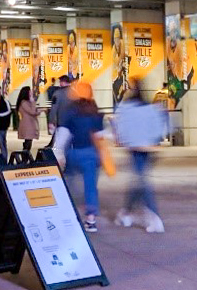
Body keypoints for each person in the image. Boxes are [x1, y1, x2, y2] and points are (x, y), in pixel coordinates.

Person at [113, 77, 168, 232]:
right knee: (138, 178)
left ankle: (154, 217)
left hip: (135, 147)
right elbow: (159, 125)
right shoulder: (149, 106)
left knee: (141, 181)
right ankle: (125, 213)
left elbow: (120, 124)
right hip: (148, 147)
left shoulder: (127, 106)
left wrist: (122, 139)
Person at [60, 80, 104, 232]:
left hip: (74, 151)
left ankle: (67, 215)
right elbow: (99, 135)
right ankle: (91, 220)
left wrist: (57, 152)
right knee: (91, 186)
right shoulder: (94, 110)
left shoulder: (70, 111)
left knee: (69, 182)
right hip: (91, 153)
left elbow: (64, 134)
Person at [45, 75, 71, 147]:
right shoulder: (76, 93)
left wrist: (51, 121)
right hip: (73, 122)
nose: (59, 84)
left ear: (63, 82)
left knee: (61, 143)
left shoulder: (57, 94)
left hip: (62, 122)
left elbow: (54, 108)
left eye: (60, 82)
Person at [17, 85, 39, 156]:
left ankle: (25, 158)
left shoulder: (27, 102)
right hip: (27, 125)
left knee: (29, 142)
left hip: (30, 124)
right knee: (28, 142)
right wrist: (33, 102)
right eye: (30, 91)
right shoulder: (24, 102)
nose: (31, 92)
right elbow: (32, 112)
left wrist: (38, 111)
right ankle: (25, 159)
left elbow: (33, 112)